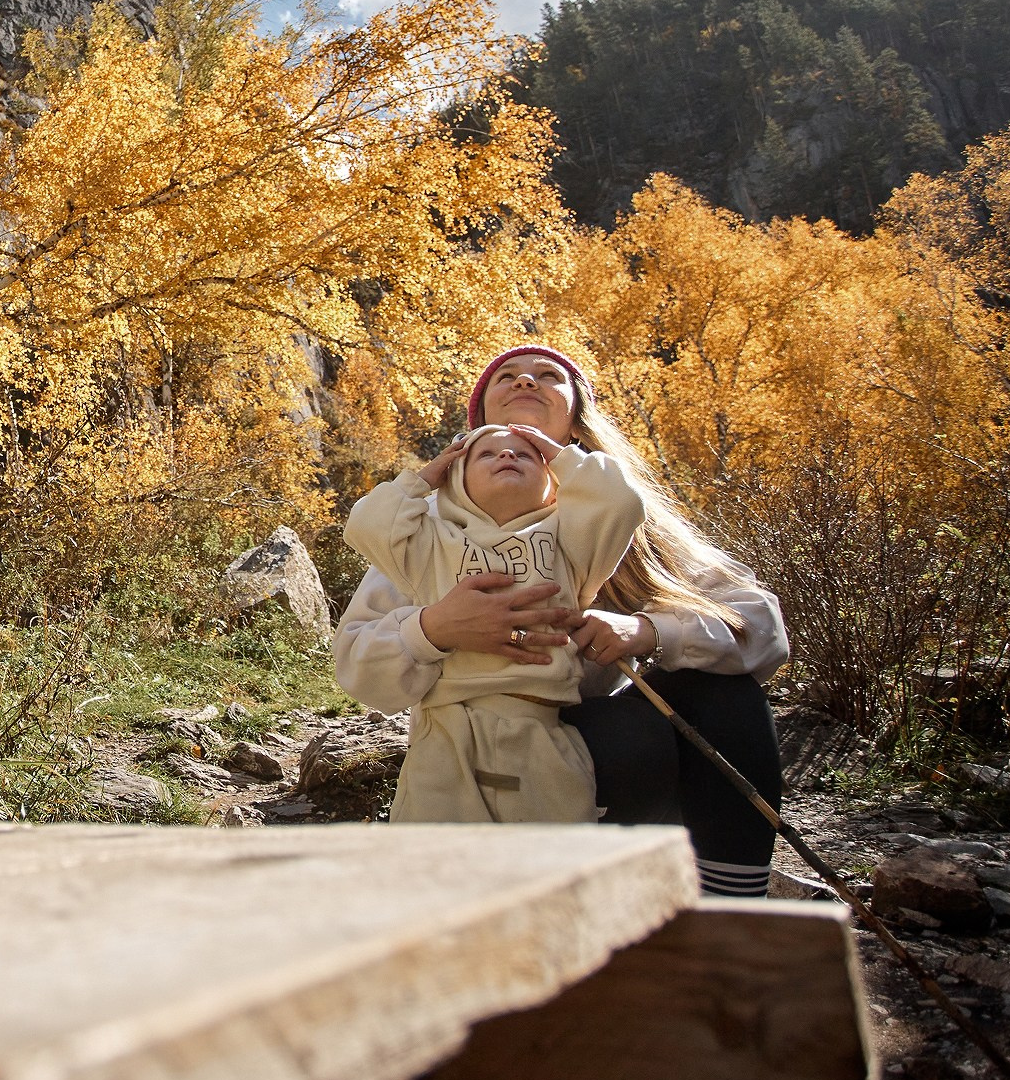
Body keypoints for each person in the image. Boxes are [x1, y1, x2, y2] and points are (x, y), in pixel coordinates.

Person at [332, 345, 790, 897]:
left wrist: (648, 632)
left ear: (576, 420)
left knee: (722, 701)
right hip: (498, 740)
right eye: (506, 377)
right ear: (470, 439)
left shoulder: (622, 523)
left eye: (549, 376)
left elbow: (760, 628)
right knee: (628, 739)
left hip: (602, 734)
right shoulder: (428, 536)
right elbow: (358, 663)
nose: (526, 380)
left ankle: (730, 911)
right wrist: (433, 628)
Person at [340, 423, 644, 823]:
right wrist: (422, 480)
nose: (507, 455)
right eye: (487, 454)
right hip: (446, 733)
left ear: (553, 486)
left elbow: (620, 502)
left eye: (526, 454)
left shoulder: (570, 544)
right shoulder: (429, 542)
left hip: (542, 735)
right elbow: (365, 526)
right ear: (456, 481)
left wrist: (560, 454)